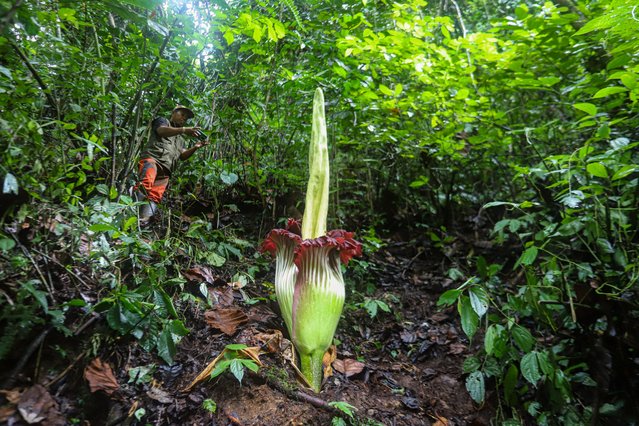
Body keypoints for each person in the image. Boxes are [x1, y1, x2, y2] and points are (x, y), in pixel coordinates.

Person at [134, 105, 210, 220]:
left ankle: (143, 220)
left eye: (186, 118)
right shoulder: (162, 121)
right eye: (182, 114)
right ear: (173, 113)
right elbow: (161, 131)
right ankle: (129, 213)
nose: (184, 118)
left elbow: (182, 156)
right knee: (144, 185)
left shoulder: (181, 139)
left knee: (155, 195)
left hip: (166, 170)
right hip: (152, 160)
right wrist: (184, 130)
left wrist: (195, 147)